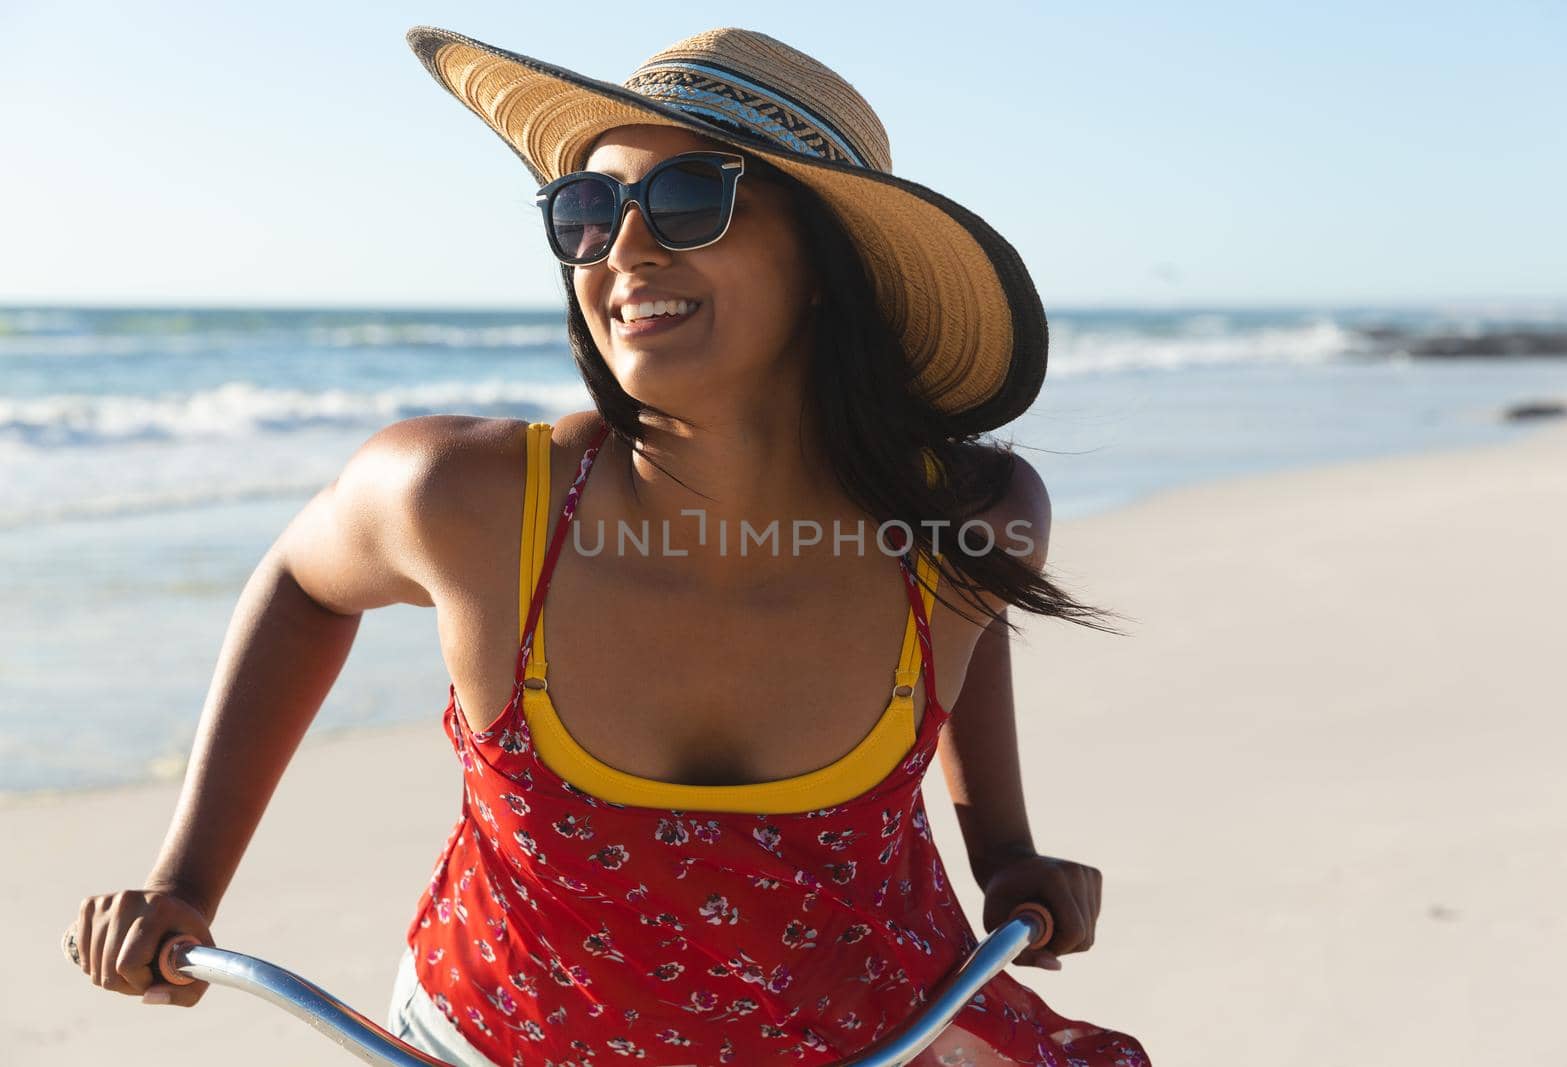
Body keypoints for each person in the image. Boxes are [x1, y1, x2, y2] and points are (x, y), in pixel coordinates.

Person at [70, 25, 1152, 1067]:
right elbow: (306, 583)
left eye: (689, 200)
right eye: (587, 209)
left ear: (828, 260)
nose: (624, 248)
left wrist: (1002, 848)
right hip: (485, 1039)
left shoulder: (962, 519)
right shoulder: (471, 502)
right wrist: (188, 876)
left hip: (870, 1038)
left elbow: (967, 610)